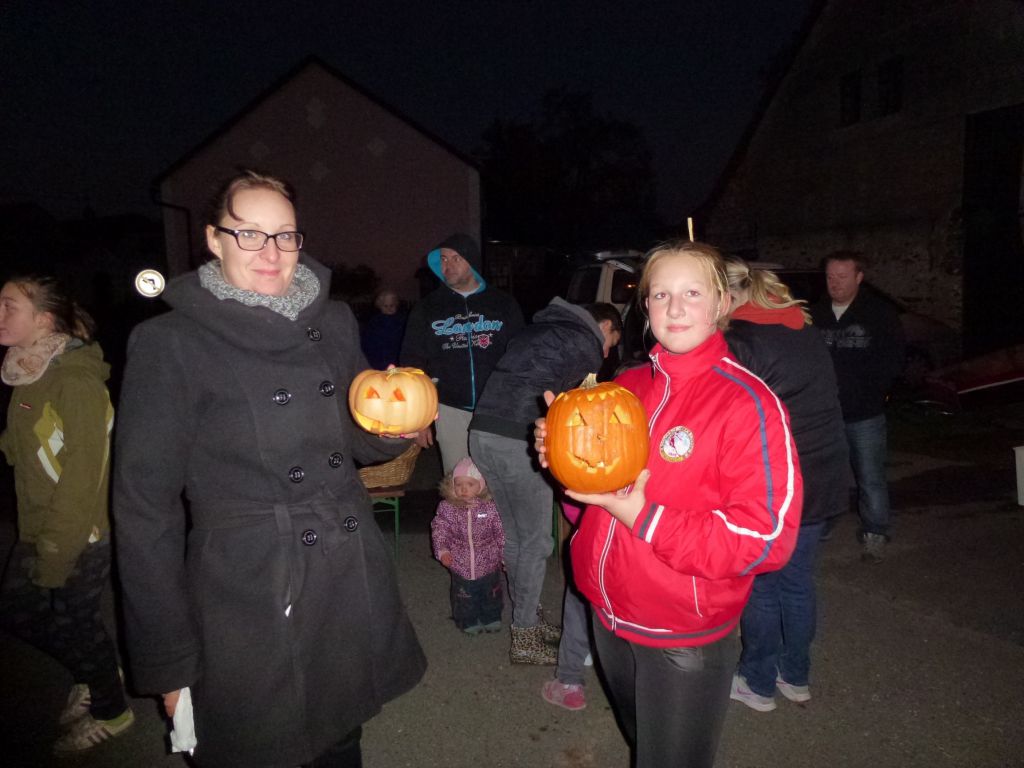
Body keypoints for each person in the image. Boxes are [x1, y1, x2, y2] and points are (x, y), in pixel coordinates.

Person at [113, 170, 426, 768]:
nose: (271, 251)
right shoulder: (170, 342)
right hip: (247, 585)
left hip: (342, 567)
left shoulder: (332, 322)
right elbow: (144, 509)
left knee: (341, 736)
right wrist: (167, 659)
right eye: (250, 234)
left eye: (285, 235)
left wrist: (392, 432)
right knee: (262, 744)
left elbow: (354, 441)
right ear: (214, 239)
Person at [536, 241, 802, 767]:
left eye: (692, 293)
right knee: (645, 743)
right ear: (646, 306)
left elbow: (765, 539)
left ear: (722, 302)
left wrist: (643, 516)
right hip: (608, 616)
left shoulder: (748, 404)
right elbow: (593, 508)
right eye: (661, 294)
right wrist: (563, 461)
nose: (675, 308)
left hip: (683, 634)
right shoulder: (628, 385)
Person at [0, 275, 133, 753]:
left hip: (80, 533)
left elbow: (83, 478)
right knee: (19, 612)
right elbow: (25, 446)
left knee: (75, 621)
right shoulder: (31, 369)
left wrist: (56, 551)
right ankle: (94, 671)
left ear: (43, 319)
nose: (0, 315)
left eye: (9, 307)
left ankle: (112, 710)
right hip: (38, 523)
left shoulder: (75, 382)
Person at [721, 259, 849, 712]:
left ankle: (757, 683)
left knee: (763, 585)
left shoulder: (740, 340)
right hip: (823, 473)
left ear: (727, 297)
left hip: (778, 479)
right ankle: (795, 676)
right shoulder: (802, 328)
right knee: (796, 583)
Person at [469, 299, 622, 666]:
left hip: (482, 433)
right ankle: (524, 636)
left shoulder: (540, 329)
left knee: (516, 537)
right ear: (604, 326)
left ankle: (525, 615)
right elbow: (581, 411)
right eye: (611, 343)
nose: (605, 353)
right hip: (519, 440)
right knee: (536, 542)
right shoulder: (584, 342)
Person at [400, 233, 524, 474]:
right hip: (450, 408)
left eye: (456, 258)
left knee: (498, 480)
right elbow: (412, 364)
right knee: (458, 482)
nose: (448, 265)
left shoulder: (503, 304)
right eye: (443, 259)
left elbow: (521, 357)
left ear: (472, 262)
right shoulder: (427, 308)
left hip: (498, 409)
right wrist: (418, 419)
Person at [809, 253, 905, 563]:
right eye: (830, 277)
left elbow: (893, 359)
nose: (834, 283)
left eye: (842, 276)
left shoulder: (878, 313)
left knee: (870, 476)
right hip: (825, 415)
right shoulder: (815, 314)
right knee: (823, 475)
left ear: (859, 277)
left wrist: (874, 392)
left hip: (865, 413)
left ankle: (875, 531)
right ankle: (820, 526)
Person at [431, 457, 505, 635]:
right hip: (460, 563)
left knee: (491, 592)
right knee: (464, 595)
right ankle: (467, 620)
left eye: (470, 484)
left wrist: (506, 556)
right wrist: (442, 550)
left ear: (481, 486)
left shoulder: (490, 508)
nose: (463, 489)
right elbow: (440, 530)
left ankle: (491, 617)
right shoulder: (448, 508)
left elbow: (501, 533)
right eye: (458, 484)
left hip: (489, 562)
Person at [360, 288, 406, 370]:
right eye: (386, 306)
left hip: (397, 360)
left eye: (392, 305)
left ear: (396, 305)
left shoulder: (402, 321)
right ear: (380, 306)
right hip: (379, 360)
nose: (389, 309)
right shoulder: (374, 323)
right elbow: (368, 344)